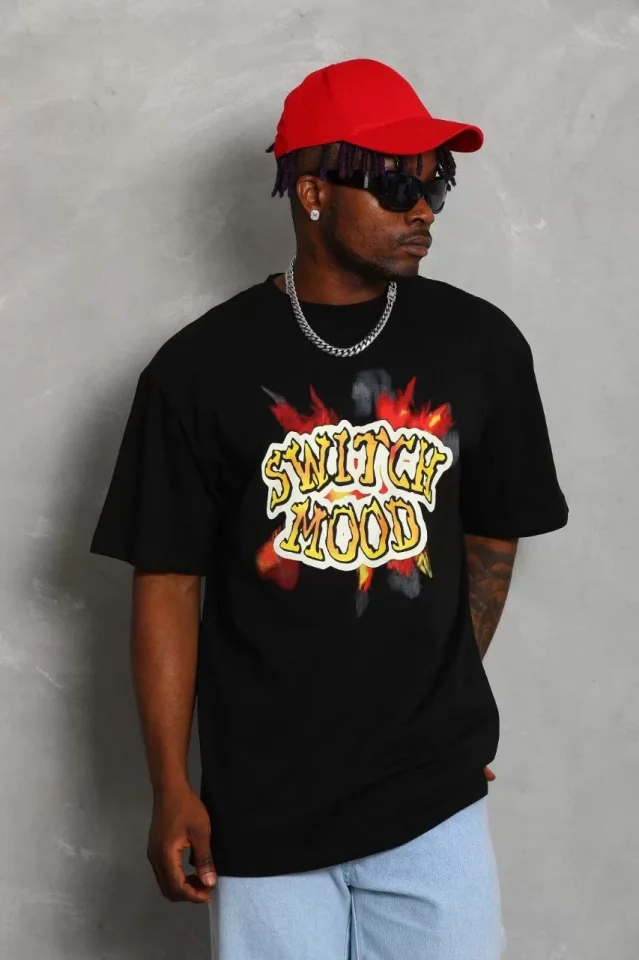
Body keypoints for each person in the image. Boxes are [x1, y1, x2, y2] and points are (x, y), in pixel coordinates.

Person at [90, 58, 569, 960]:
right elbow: (168, 583)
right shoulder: (198, 369)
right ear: (312, 192)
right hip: (262, 802)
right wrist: (170, 787)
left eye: (435, 184)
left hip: (430, 797)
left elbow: (493, 529)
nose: (422, 209)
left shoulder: (481, 345)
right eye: (394, 186)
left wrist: (442, 689)